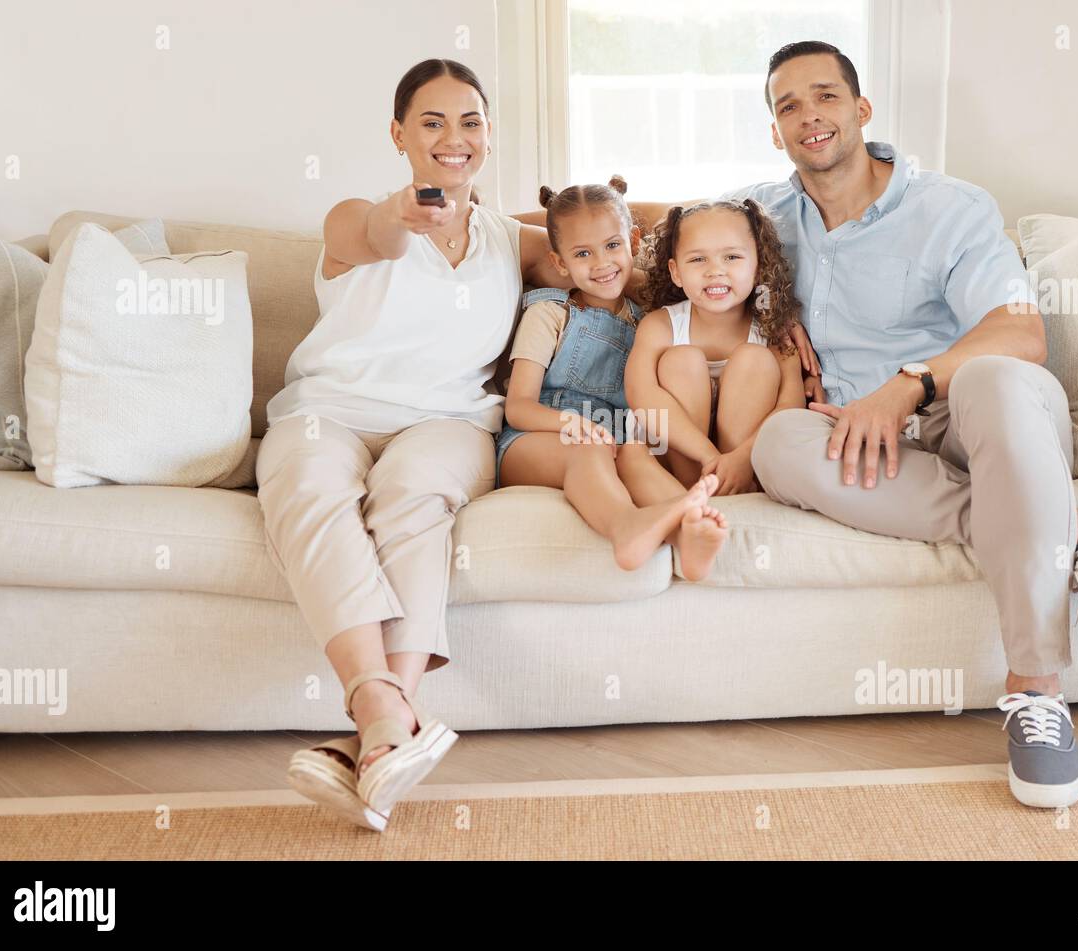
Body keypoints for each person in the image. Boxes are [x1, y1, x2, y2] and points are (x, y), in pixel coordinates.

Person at [614, 40, 1078, 810]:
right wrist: (508, 232)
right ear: (774, 131)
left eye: (825, 97)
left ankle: (1036, 692)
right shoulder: (762, 215)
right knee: (775, 442)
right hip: (857, 440)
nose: (809, 116)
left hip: (972, 413)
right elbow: (658, 235)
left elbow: (1020, 333)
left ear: (862, 109)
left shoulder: (950, 206)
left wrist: (910, 383)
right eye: (788, 106)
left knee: (996, 375)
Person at [256, 58, 587, 831]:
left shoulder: (512, 238)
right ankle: (387, 715)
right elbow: (370, 232)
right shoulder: (358, 220)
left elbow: (602, 231)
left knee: (411, 492)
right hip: (327, 410)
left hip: (447, 421)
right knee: (306, 485)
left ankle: (379, 725)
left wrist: (712, 225)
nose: (453, 137)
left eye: (469, 120)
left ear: (489, 136)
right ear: (398, 133)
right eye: (431, 122)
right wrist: (402, 215)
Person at [498, 175, 728, 580]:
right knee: (592, 450)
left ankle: (691, 525)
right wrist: (575, 425)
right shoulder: (549, 314)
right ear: (558, 262)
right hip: (537, 439)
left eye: (612, 246)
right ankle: (626, 528)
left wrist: (781, 323)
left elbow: (717, 294)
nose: (602, 264)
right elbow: (518, 407)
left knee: (635, 450)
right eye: (583, 253)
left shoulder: (649, 319)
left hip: (617, 437)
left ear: (633, 243)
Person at [620, 198, 807, 497]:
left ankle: (731, 485)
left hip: (744, 461)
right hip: (677, 458)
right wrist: (709, 457)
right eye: (697, 260)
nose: (715, 271)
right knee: (681, 360)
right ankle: (695, 486)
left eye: (732, 257)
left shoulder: (774, 331)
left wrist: (741, 458)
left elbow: (790, 405)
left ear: (758, 265)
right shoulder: (660, 326)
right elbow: (642, 395)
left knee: (753, 358)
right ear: (676, 271)